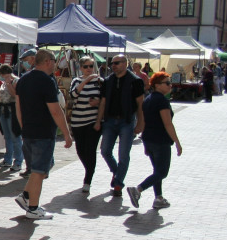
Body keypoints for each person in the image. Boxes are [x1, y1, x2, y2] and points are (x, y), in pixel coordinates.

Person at [14, 49, 73, 220]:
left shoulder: (23, 79)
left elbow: (18, 108)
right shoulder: (46, 81)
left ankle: (25, 196)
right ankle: (33, 208)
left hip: (29, 131)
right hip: (42, 132)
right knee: (39, 171)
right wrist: (67, 134)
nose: (55, 64)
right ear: (47, 61)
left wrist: (23, 127)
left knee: (41, 168)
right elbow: (56, 110)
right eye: (54, 60)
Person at [127, 73, 181, 211]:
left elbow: (144, 122)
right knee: (162, 172)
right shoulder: (162, 101)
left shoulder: (148, 99)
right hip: (160, 140)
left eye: (170, 83)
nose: (170, 85)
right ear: (157, 85)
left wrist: (145, 142)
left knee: (157, 171)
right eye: (167, 83)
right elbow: (168, 124)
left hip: (149, 139)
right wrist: (177, 142)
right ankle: (138, 189)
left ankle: (159, 198)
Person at [97, 53, 145, 197]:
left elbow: (140, 104)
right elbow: (103, 102)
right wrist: (98, 120)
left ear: (125, 64)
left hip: (127, 121)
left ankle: (118, 184)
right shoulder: (108, 80)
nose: (114, 66)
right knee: (105, 151)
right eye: (112, 63)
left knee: (123, 154)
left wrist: (141, 123)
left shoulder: (135, 81)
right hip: (110, 121)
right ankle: (117, 172)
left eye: (117, 63)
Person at [68, 57, 104, 194]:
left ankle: (88, 180)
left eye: (91, 66)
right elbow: (73, 95)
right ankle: (89, 169)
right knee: (80, 150)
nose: (89, 69)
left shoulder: (100, 82)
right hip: (78, 122)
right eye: (86, 66)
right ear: (81, 68)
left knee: (90, 150)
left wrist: (98, 103)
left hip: (93, 122)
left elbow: (106, 101)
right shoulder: (76, 81)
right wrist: (87, 80)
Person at [0, 64, 23, 173]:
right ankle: (7, 159)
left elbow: (15, 94)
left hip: (12, 111)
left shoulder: (15, 81)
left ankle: (18, 161)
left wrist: (8, 83)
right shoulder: (2, 82)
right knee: (7, 136)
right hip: (3, 110)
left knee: (15, 136)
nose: (0, 76)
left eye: (1, 74)